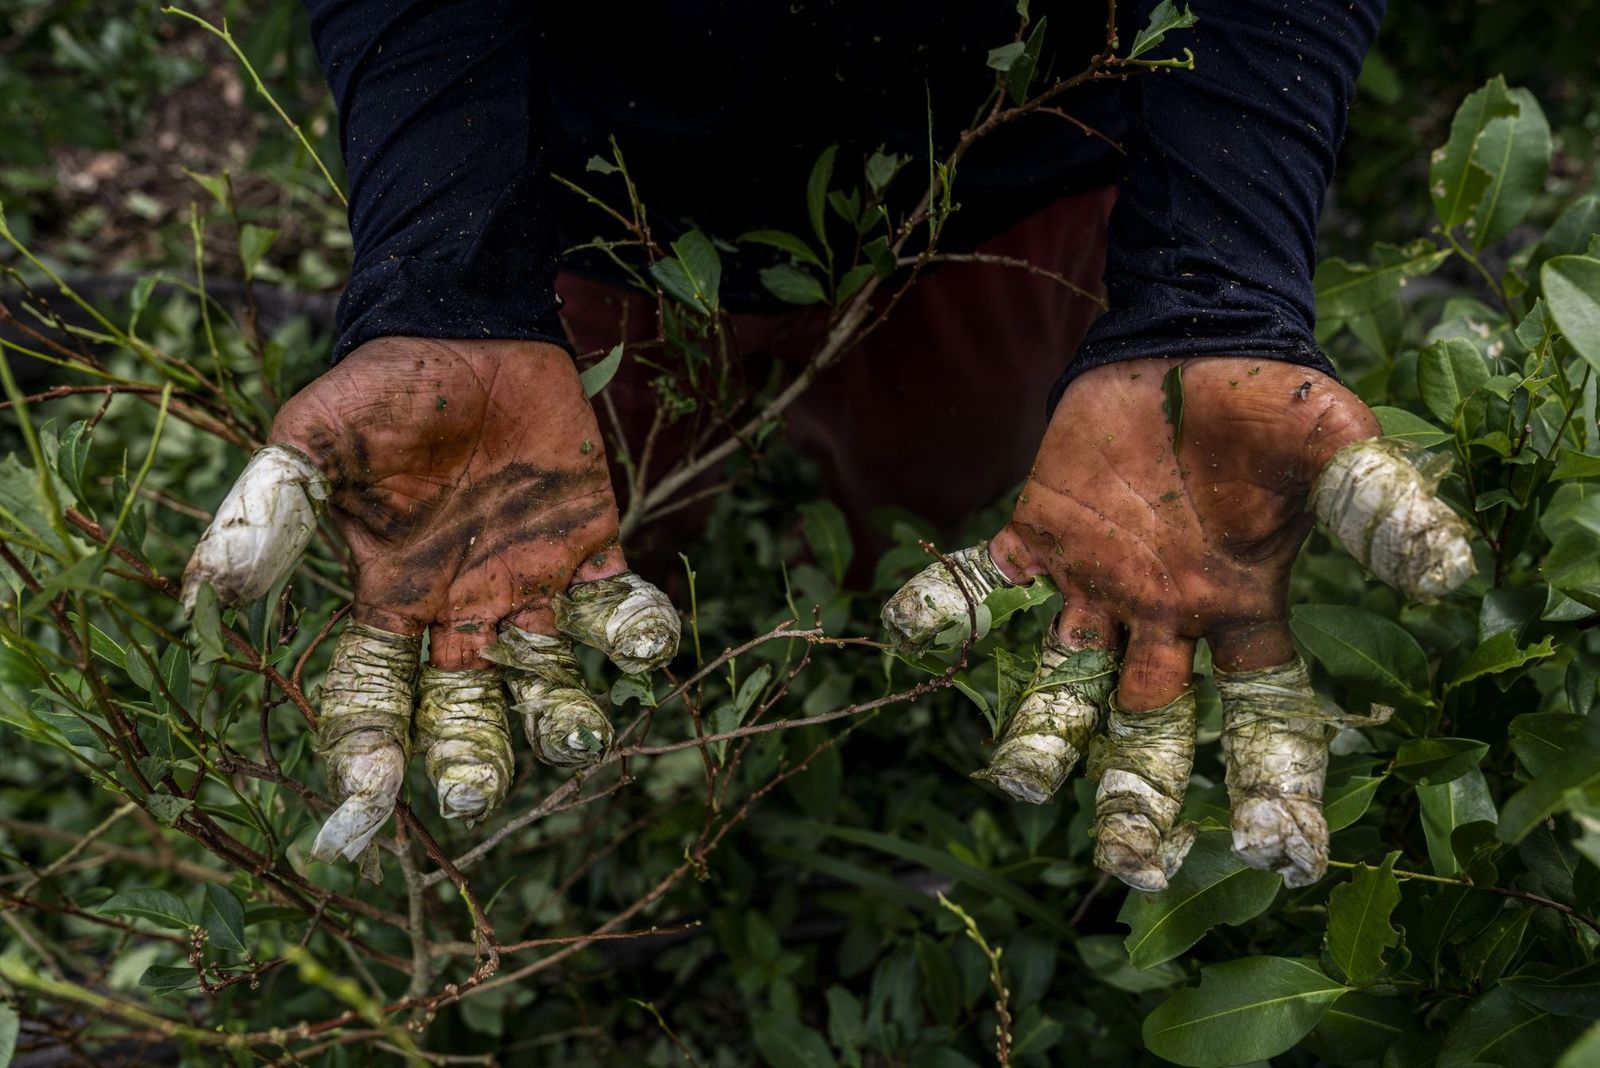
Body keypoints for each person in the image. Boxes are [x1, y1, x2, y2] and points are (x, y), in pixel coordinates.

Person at [184, 0, 1474, 890]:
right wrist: (446, 279)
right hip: (585, 192)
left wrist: (1214, 284)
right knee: (581, 524)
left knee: (944, 489)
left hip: (1005, 182)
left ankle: (867, 652)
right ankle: (638, 740)